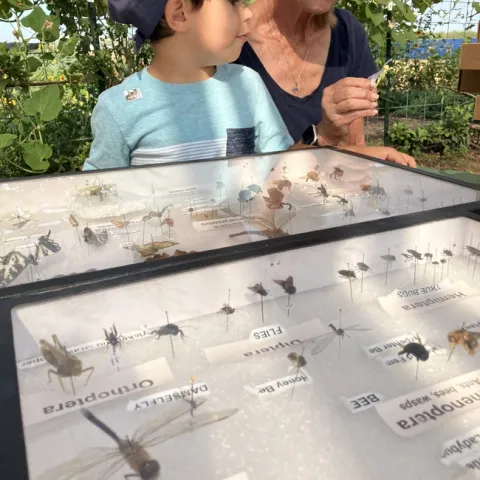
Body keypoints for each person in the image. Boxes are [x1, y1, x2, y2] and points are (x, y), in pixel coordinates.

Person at [83, 0, 415, 171]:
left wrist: (361, 154)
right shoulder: (119, 108)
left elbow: (282, 168)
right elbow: (99, 199)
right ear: (180, 14)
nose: (246, 16)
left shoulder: (247, 85)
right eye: (232, 3)